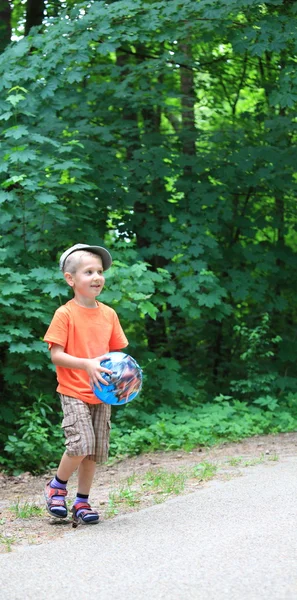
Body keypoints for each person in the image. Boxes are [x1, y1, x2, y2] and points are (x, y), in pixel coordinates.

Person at [43, 243, 128, 525]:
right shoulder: (65, 314)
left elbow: (117, 356)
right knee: (80, 444)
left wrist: (125, 379)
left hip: (102, 393)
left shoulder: (109, 314)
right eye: (88, 271)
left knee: (93, 451)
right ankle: (56, 486)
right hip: (73, 391)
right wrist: (87, 364)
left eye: (100, 271)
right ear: (71, 279)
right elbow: (56, 354)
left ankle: (81, 502)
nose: (97, 277)